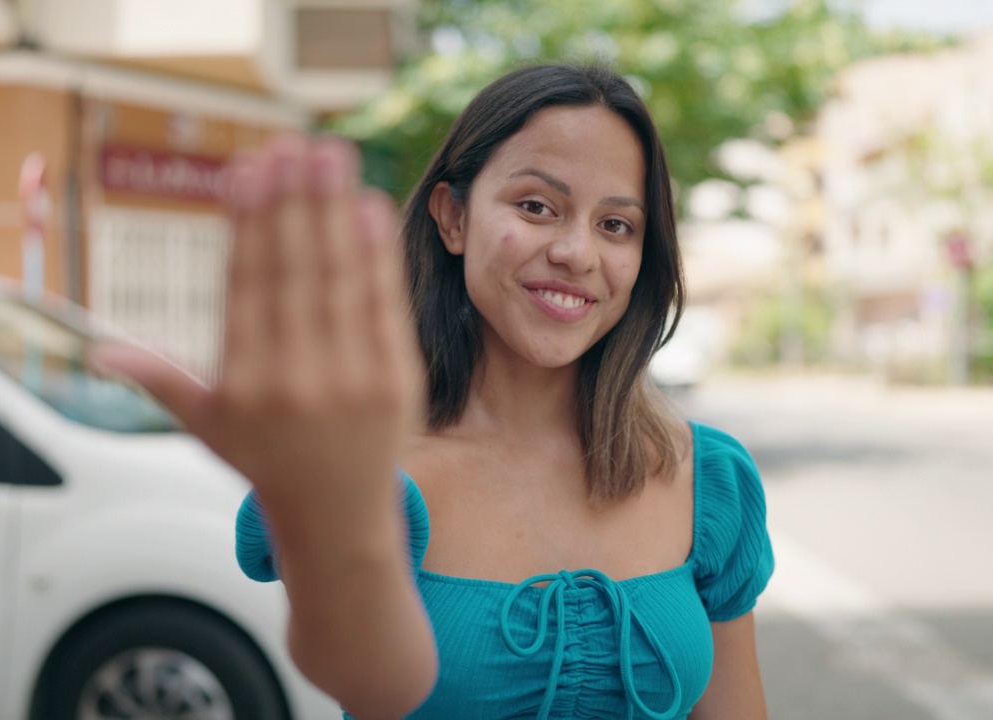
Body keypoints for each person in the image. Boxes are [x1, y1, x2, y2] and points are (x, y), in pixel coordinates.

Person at [96, 64, 773, 720]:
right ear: (452, 217)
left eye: (615, 225)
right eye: (537, 206)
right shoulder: (369, 473)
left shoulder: (703, 479)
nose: (577, 252)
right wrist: (335, 511)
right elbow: (373, 685)